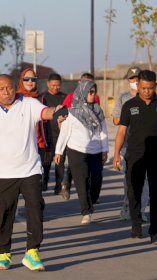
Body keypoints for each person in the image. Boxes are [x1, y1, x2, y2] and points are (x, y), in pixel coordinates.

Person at [0, 74, 61, 271]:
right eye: (2, 89)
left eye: (10, 88)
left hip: (30, 169)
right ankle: (3, 253)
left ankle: (32, 252)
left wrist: (57, 111)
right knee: (4, 213)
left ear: (16, 88)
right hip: (3, 173)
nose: (7, 92)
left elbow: (46, 113)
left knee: (36, 207)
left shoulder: (28, 103)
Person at [113, 70, 157, 245]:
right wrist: (116, 154)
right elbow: (122, 131)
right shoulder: (129, 105)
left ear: (155, 86)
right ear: (138, 86)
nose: (147, 91)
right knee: (133, 193)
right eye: (144, 88)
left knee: (156, 195)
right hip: (135, 156)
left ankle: (156, 232)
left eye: (150, 88)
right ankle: (136, 224)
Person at [54, 80, 108, 225]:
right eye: (90, 92)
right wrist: (58, 151)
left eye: (94, 92)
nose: (92, 95)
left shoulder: (98, 110)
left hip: (95, 150)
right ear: (83, 93)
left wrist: (105, 149)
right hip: (76, 151)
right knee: (81, 181)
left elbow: (103, 131)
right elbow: (64, 132)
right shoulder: (72, 112)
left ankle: (91, 200)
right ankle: (86, 211)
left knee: (96, 180)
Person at [113, 66, 149, 221]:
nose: (134, 81)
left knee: (146, 180)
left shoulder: (150, 96)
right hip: (128, 145)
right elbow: (115, 120)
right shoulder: (123, 98)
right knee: (130, 179)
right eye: (131, 79)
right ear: (128, 81)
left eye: (137, 78)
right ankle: (127, 205)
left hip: (147, 145)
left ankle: (141, 210)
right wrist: (131, 117)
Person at [60, 72, 101, 200]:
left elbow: (97, 115)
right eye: (85, 83)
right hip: (74, 135)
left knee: (88, 168)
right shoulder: (71, 97)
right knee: (72, 164)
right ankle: (66, 185)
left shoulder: (95, 97)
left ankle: (89, 194)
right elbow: (64, 112)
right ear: (79, 83)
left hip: (89, 137)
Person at [40, 73, 67, 194]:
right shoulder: (42, 98)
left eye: (58, 85)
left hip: (61, 135)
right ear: (48, 84)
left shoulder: (65, 98)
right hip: (46, 135)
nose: (55, 88)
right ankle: (44, 182)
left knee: (59, 162)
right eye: (53, 85)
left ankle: (58, 186)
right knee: (46, 161)